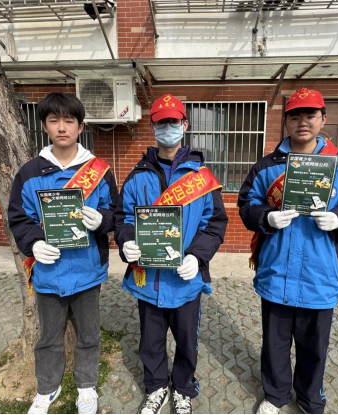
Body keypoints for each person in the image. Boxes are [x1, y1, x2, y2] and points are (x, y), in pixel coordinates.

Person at [238, 88, 338, 415]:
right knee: (275, 343)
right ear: (285, 121)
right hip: (277, 271)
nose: (303, 122)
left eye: (310, 115)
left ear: (323, 119)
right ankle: (275, 395)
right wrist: (266, 217)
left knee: (314, 346)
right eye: (295, 115)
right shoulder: (267, 167)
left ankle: (310, 399)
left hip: (320, 273)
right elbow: (246, 204)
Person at [114, 94, 228, 414]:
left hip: (185, 280)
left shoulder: (202, 177)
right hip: (148, 279)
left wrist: (197, 257)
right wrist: (126, 242)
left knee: (187, 341)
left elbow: (215, 224)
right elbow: (122, 219)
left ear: (185, 125)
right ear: (152, 127)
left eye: (173, 122)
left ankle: (183, 388)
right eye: (161, 122)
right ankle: (155, 388)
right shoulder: (137, 176)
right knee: (150, 341)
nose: (168, 127)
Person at [8, 92, 118, 415]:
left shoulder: (100, 170)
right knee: (48, 338)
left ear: (80, 127)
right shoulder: (29, 173)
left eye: (69, 121)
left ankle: (86, 386)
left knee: (89, 335)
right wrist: (33, 244)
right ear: (44, 126)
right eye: (54, 120)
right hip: (48, 272)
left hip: (88, 270)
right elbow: (19, 217)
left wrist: (102, 221)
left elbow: (116, 211)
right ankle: (46, 389)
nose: (61, 127)